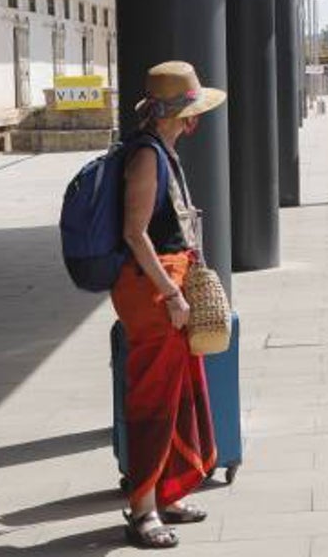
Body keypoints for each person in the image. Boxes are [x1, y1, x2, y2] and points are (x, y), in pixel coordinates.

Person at [115, 61, 225, 549]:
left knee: (180, 395)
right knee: (154, 402)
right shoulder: (145, 158)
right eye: (192, 111)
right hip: (153, 292)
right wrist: (173, 293)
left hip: (164, 287)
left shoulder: (162, 151)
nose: (195, 120)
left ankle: (170, 494)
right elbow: (134, 234)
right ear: (183, 115)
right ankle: (142, 510)